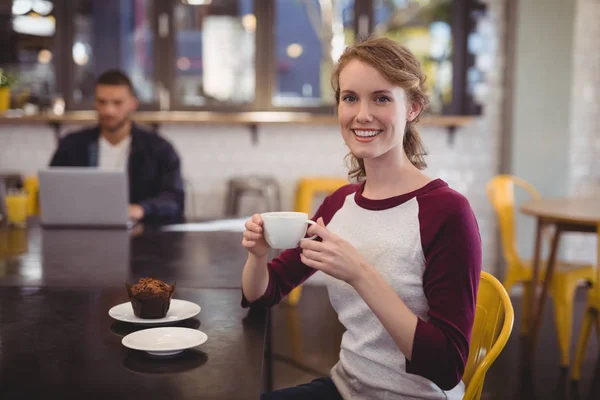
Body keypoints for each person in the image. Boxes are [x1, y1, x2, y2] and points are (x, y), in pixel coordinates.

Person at [241, 36, 482, 400]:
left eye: (381, 98)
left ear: (413, 107)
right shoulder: (340, 203)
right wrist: (258, 256)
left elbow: (447, 368)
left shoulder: (447, 212)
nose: (361, 114)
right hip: (346, 387)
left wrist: (360, 272)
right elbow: (265, 293)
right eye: (350, 98)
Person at [49, 69, 185, 224]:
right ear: (95, 103)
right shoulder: (71, 146)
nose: (109, 110)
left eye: (117, 103)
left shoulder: (159, 149)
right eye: (102, 102)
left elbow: (174, 200)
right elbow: (53, 193)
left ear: (132, 104)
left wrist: (141, 209)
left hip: (141, 239)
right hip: (82, 230)